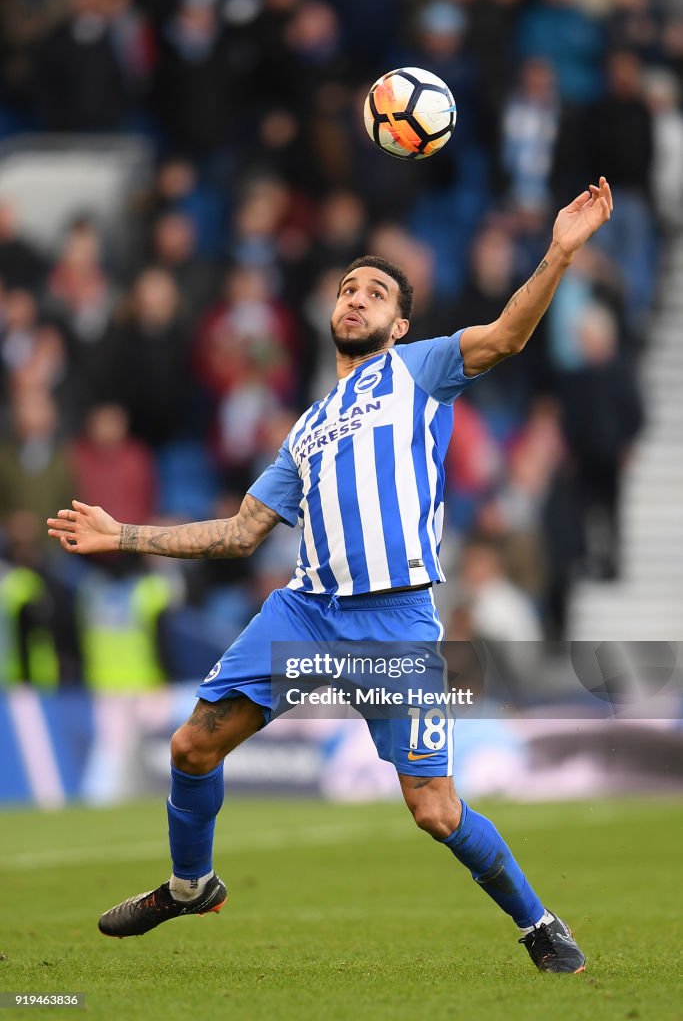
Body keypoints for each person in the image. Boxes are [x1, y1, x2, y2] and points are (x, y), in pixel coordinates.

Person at [47, 178, 613, 973]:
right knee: (190, 748)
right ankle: (189, 885)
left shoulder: (420, 371)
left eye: (375, 291)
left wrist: (555, 254)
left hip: (394, 621)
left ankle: (536, 922)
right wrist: (123, 535)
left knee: (435, 810)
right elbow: (242, 532)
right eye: (347, 288)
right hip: (307, 613)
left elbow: (508, 337)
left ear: (400, 322)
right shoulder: (307, 425)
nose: (355, 299)